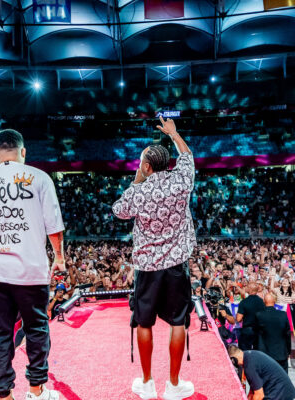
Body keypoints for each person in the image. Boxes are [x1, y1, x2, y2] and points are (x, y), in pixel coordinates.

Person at [0, 128, 65, 400]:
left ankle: (5, 396)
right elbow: (54, 227)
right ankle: (36, 391)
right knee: (36, 329)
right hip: (31, 270)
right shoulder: (40, 178)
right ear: (23, 151)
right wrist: (59, 257)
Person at [113, 116, 196, 400]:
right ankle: (173, 385)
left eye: (141, 163)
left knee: (144, 321)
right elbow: (187, 157)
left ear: (147, 167)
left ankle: (147, 384)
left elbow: (118, 210)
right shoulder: (181, 182)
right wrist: (174, 133)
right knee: (178, 322)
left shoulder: (139, 191)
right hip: (176, 265)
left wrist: (136, 181)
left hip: (147, 267)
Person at [227, 345, 295, 400]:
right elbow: (253, 389)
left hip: (279, 391)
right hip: (281, 389)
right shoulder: (249, 356)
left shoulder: (249, 366)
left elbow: (259, 395)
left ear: (233, 360)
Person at [255, 293, 291, 372]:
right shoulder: (283, 315)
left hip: (265, 353)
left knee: (267, 376)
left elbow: (255, 334)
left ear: (264, 301)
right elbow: (287, 334)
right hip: (281, 352)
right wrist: (288, 351)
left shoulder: (259, 315)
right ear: (274, 301)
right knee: (282, 376)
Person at [236, 282, 265, 350]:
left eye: (247, 287)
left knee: (245, 352)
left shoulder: (244, 302)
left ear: (250, 290)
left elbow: (238, 319)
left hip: (247, 330)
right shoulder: (261, 301)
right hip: (258, 330)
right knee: (257, 352)